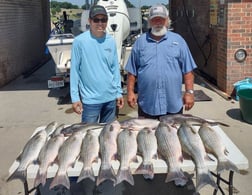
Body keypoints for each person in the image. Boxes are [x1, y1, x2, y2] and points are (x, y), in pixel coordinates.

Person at [125, 4, 197, 119]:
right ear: (149, 21)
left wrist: (190, 92)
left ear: (167, 20)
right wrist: (130, 92)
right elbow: (132, 72)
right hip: (148, 104)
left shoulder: (179, 41)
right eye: (154, 19)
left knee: (172, 136)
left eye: (161, 19)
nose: (158, 22)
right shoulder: (140, 43)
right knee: (147, 136)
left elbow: (188, 70)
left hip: (173, 104)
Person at [70, 5, 124, 123]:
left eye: (103, 20)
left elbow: (115, 69)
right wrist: (75, 98)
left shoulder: (111, 41)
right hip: (90, 101)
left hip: (110, 99)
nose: (100, 23)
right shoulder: (79, 42)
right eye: (96, 20)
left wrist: (119, 92)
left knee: (108, 137)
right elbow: (74, 71)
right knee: (89, 137)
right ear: (89, 21)